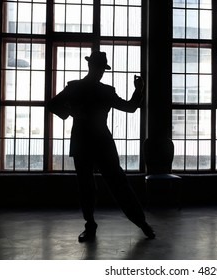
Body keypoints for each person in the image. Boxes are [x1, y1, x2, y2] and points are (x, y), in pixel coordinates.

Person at [47, 50, 155, 242]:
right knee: (108, 183)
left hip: (85, 140)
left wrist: (71, 112)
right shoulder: (99, 90)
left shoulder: (78, 88)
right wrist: (139, 89)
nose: (100, 72)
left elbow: (54, 105)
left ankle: (100, 225)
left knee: (101, 184)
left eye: (101, 69)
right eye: (100, 68)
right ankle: (140, 223)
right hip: (99, 140)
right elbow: (130, 107)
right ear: (92, 67)